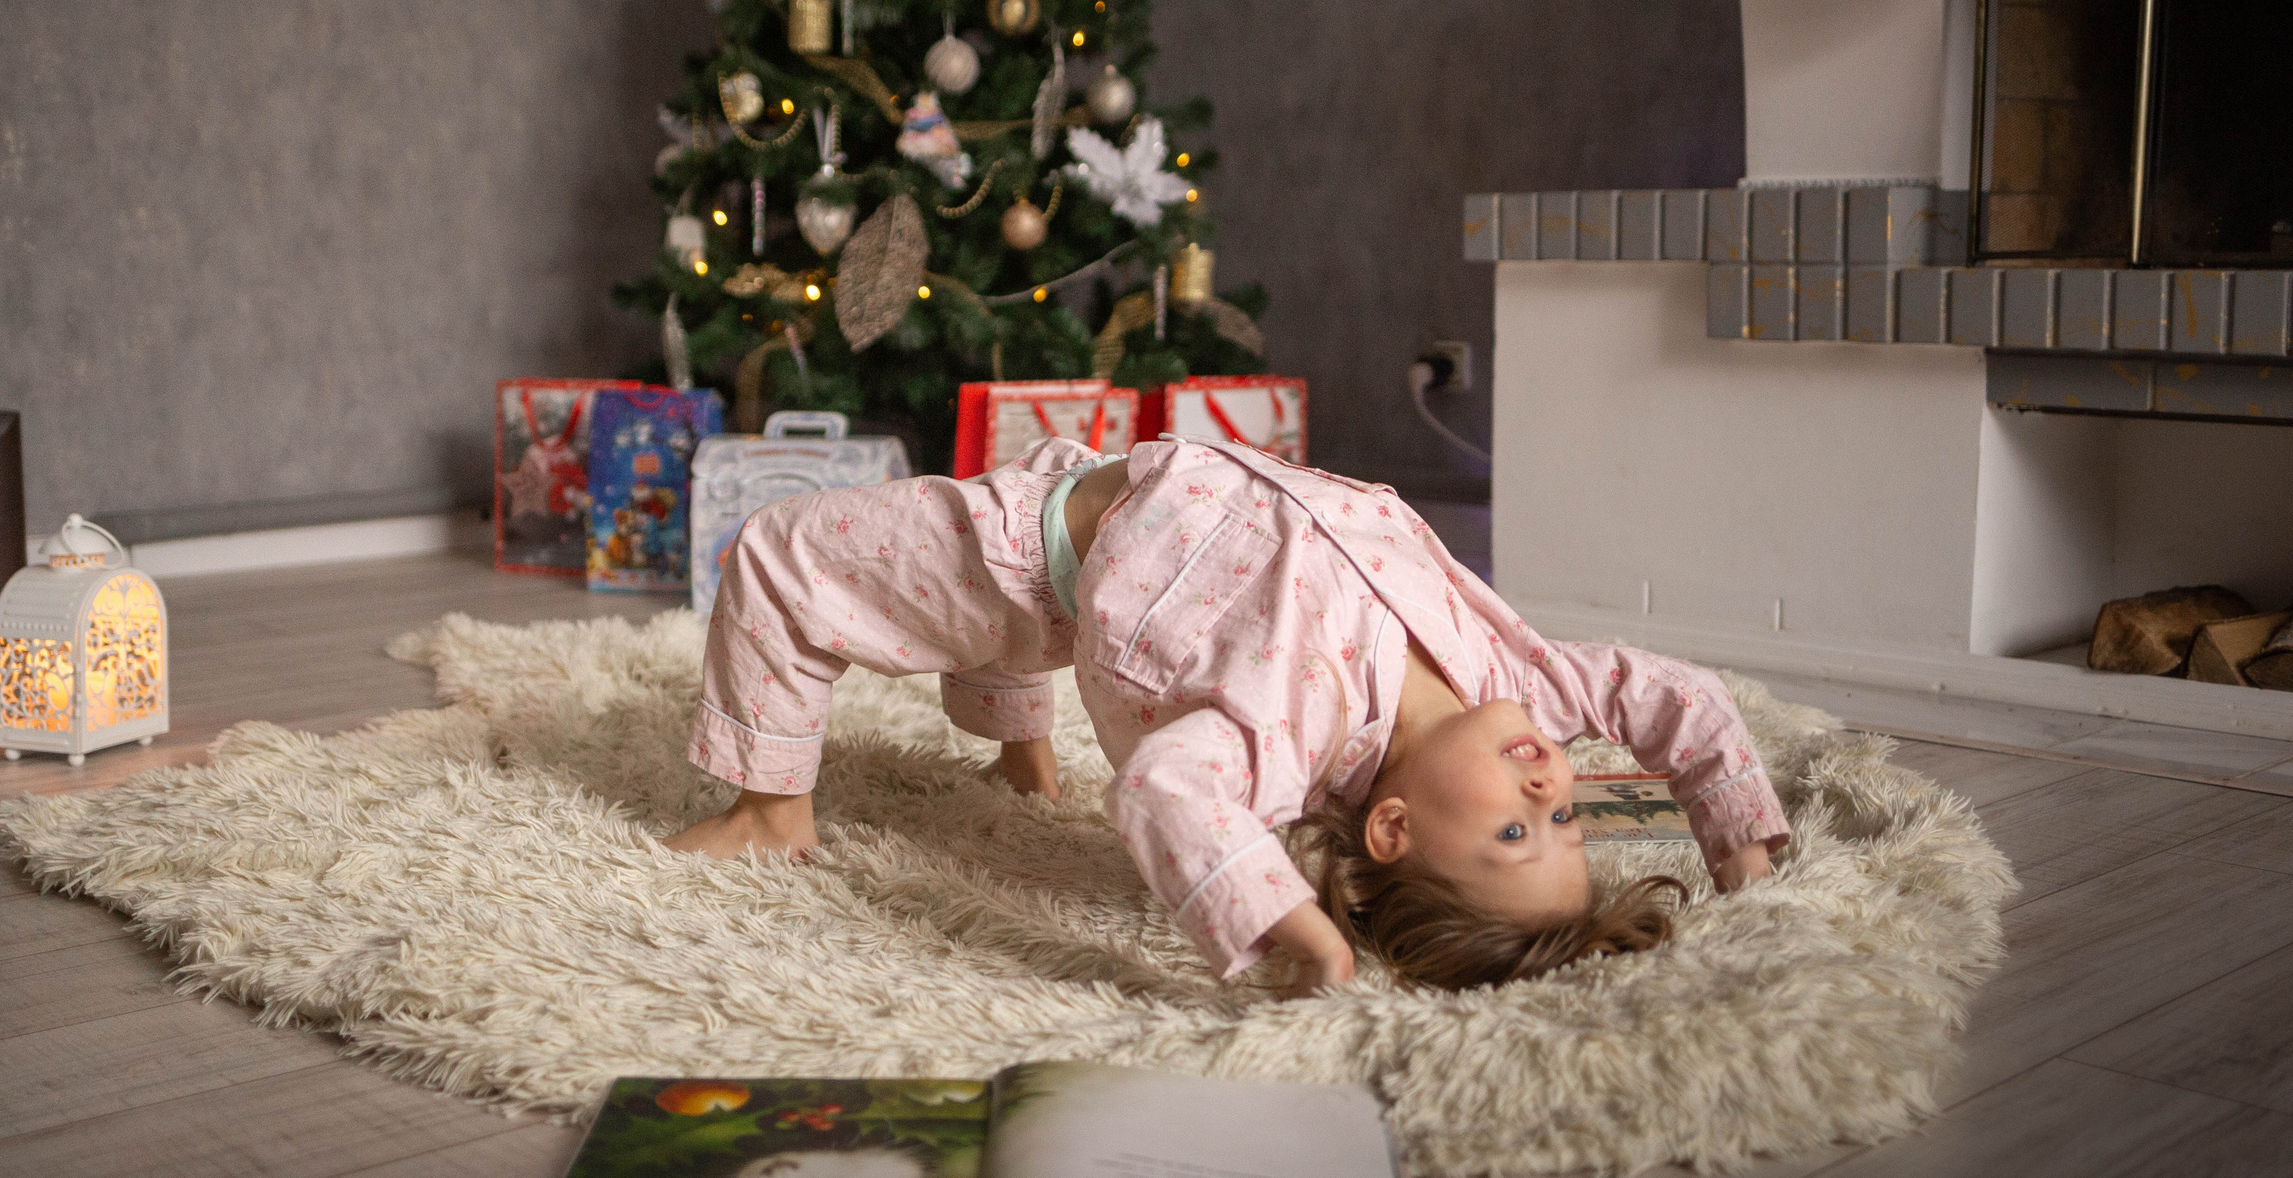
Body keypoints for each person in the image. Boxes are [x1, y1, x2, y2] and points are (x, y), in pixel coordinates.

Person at [664, 435, 1787, 994]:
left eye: (1512, 829)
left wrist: (1293, 928)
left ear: (1392, 827)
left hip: (1037, 547)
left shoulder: (1286, 734)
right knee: (989, 621)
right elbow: (1677, 698)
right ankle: (1022, 763)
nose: (1549, 789)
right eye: (1565, 821)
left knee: (784, 555)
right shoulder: (1520, 682)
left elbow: (1165, 788)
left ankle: (771, 809)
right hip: (1116, 491)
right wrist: (1738, 845)